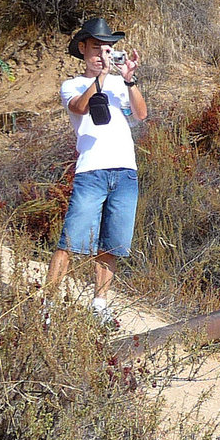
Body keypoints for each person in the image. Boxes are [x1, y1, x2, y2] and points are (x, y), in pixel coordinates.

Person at [44, 17, 148, 321]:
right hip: (92, 171)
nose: (102, 53)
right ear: (83, 49)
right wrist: (101, 77)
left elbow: (140, 115)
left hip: (125, 170)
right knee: (71, 240)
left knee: (111, 244)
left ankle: (100, 305)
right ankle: (48, 305)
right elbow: (79, 107)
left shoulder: (119, 84)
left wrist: (129, 79)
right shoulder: (73, 85)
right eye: (96, 48)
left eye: (107, 48)